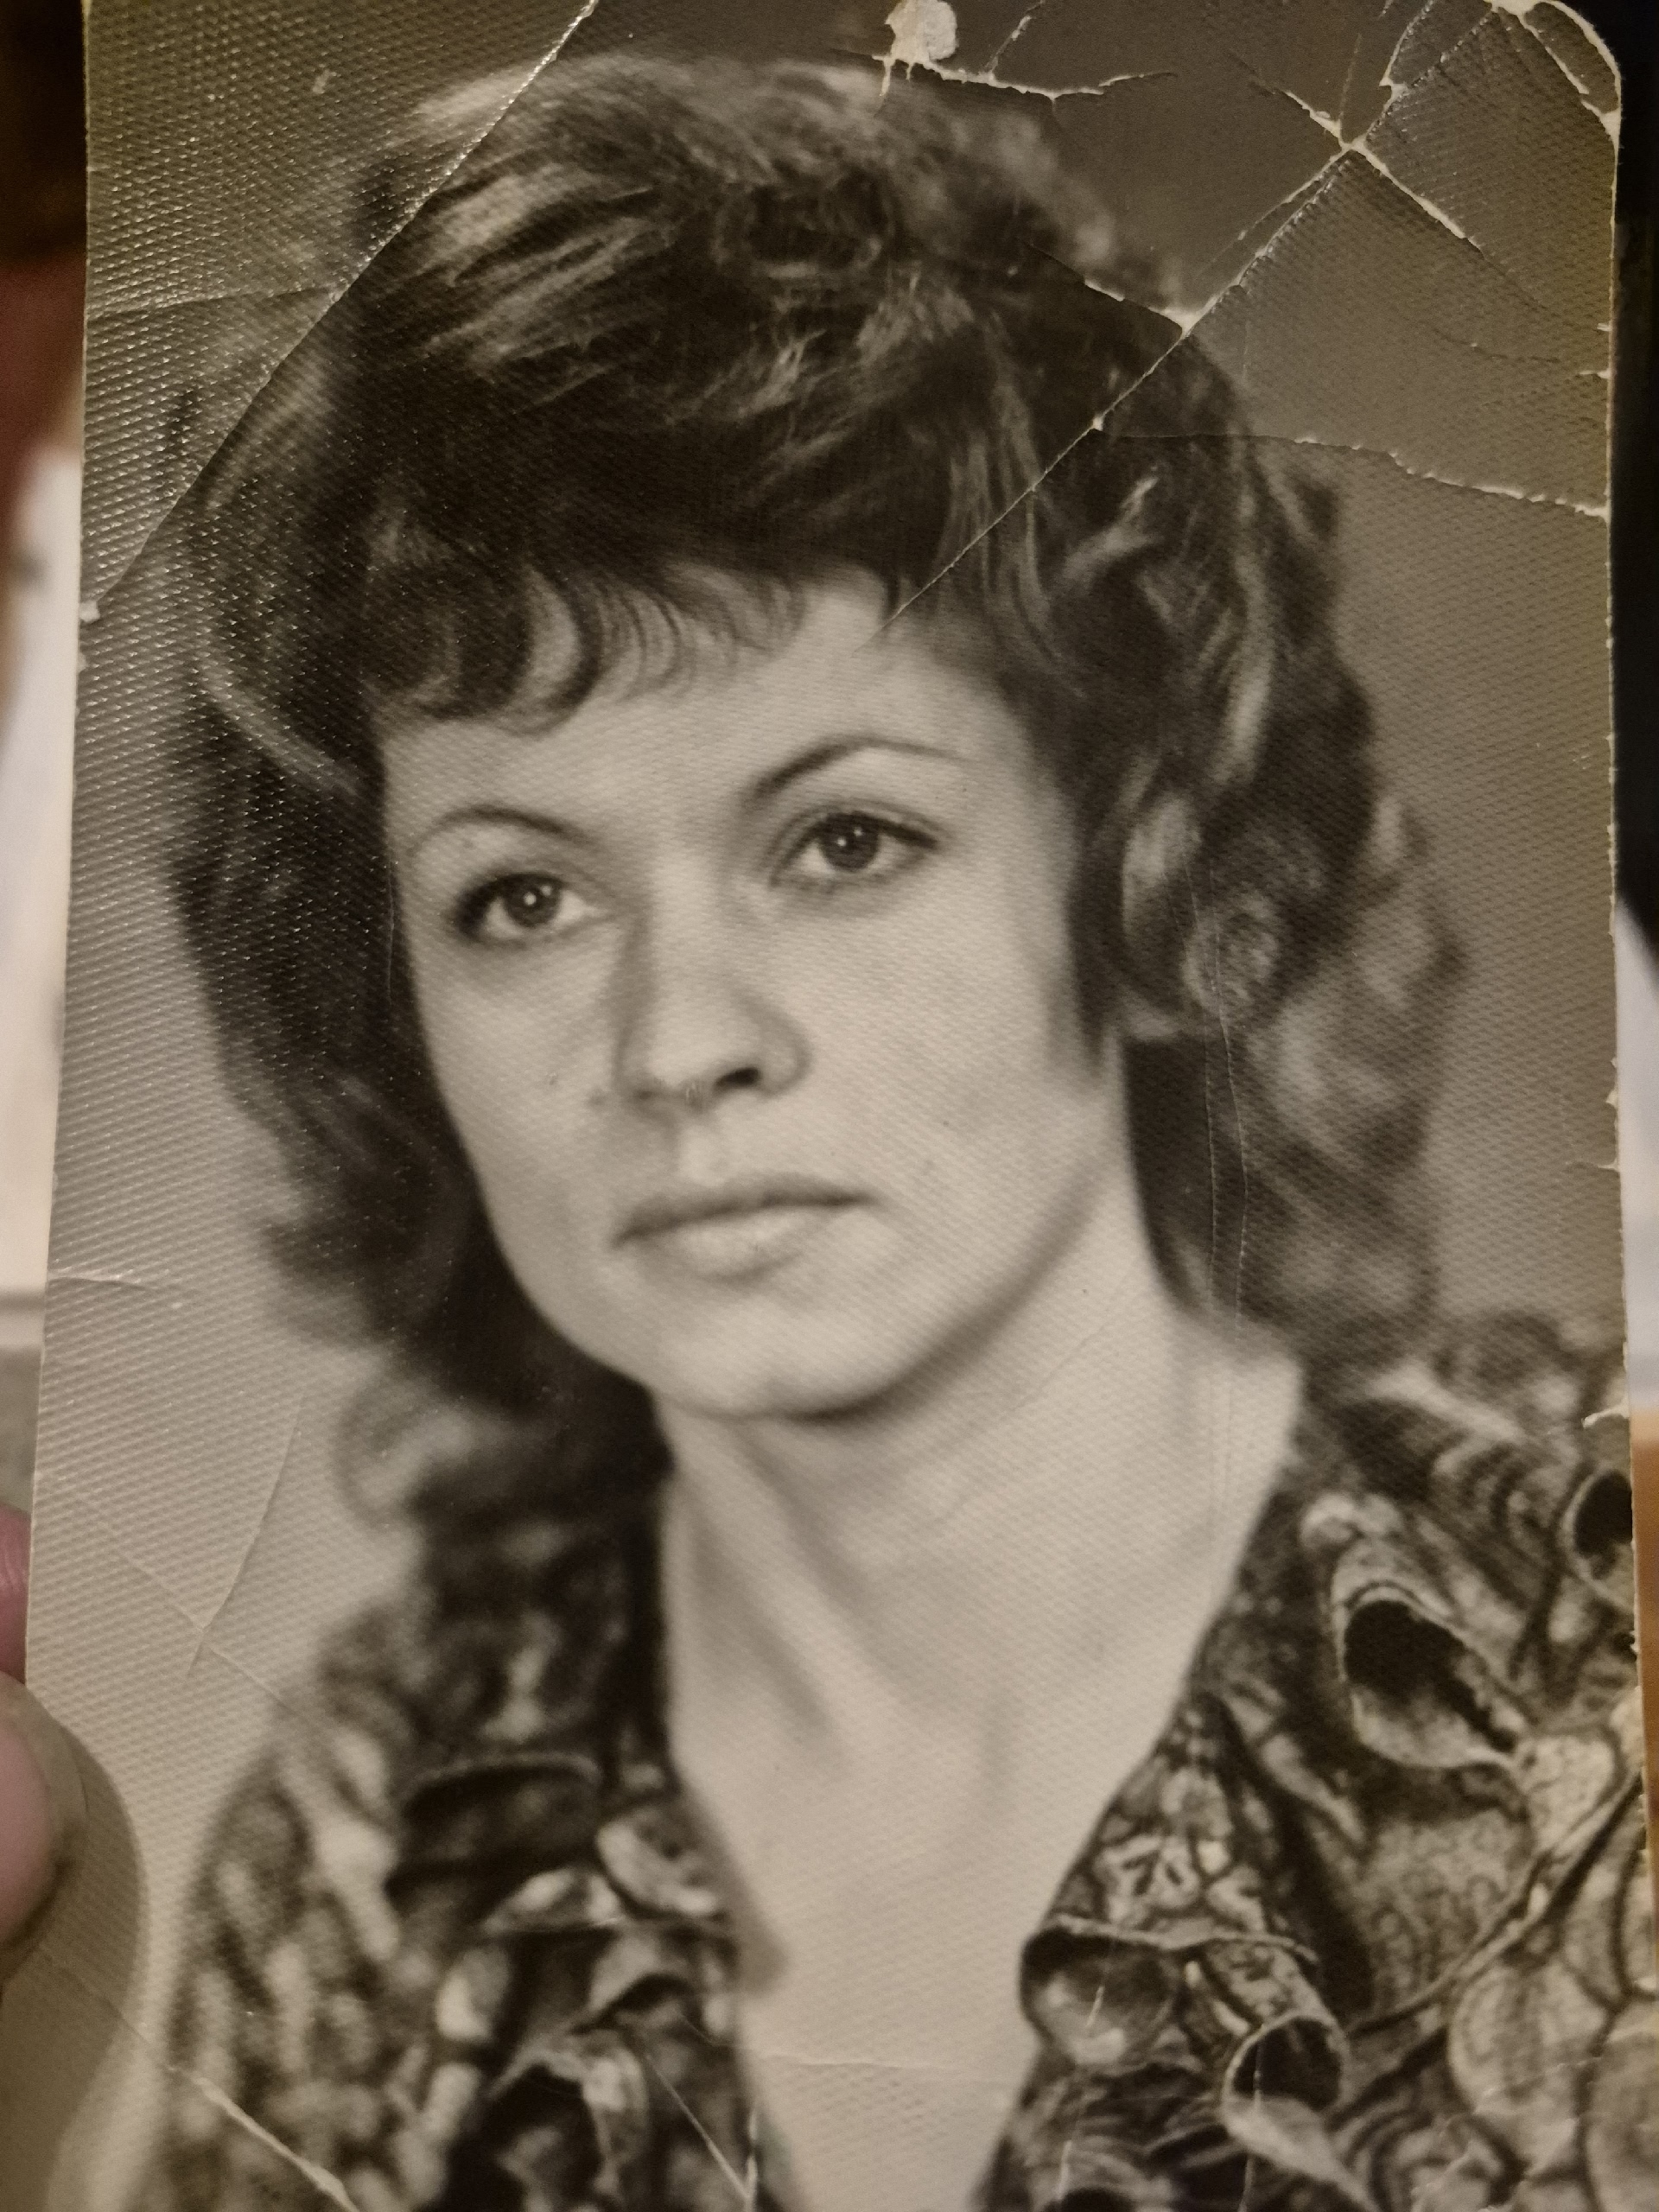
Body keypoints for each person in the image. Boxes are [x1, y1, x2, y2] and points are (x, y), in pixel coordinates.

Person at [132, 50, 1654, 2212]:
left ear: (1149, 874)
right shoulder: (378, 1846)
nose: (679, 1042)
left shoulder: (1605, 1598)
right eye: (524, 896)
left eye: (844, 837)